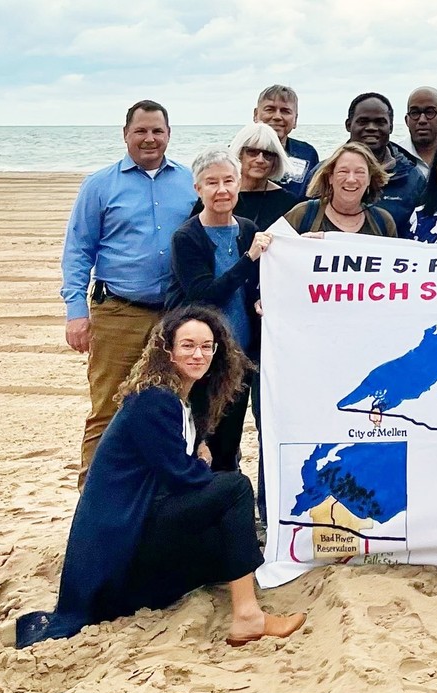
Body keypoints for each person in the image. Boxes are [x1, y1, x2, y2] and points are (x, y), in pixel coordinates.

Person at [15, 306, 305, 649]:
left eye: (207, 346)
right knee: (236, 488)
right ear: (166, 350)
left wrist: (199, 458)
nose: (198, 354)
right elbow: (181, 477)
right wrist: (200, 460)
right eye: (187, 345)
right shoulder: (154, 401)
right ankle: (248, 616)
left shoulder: (180, 400)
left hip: (140, 531)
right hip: (119, 553)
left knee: (225, 537)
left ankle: (242, 604)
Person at [61, 99, 198, 488]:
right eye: (141, 131)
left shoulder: (189, 183)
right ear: (125, 135)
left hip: (175, 315)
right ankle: (94, 500)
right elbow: (78, 251)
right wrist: (76, 311)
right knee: (108, 407)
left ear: (169, 135)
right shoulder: (100, 185)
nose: (149, 138)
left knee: (174, 407)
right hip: (118, 311)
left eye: (157, 131)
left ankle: (162, 499)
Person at [168, 148, 269, 475]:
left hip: (240, 356)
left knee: (229, 444)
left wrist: (260, 300)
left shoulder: (248, 229)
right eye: (212, 182)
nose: (222, 190)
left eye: (229, 181)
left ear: (239, 185)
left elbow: (254, 285)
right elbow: (203, 296)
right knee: (200, 441)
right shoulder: (187, 237)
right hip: (202, 358)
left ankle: (226, 514)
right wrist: (248, 259)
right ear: (198, 189)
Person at [338, 92, 426, 238]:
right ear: (348, 125)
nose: (371, 127)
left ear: (390, 127)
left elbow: (422, 233)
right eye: (363, 121)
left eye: (380, 122)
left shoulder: (414, 179)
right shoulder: (325, 174)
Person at [189, 123, 301, 230]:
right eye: (252, 152)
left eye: (268, 154)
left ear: (276, 161)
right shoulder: (217, 195)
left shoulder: (287, 202)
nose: (260, 160)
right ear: (239, 153)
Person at [283, 142, 399, 236]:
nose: (351, 179)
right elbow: (271, 251)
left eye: (360, 172)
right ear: (330, 177)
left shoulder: (383, 222)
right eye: (343, 171)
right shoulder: (302, 214)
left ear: (369, 179)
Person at [253, 84, 319, 198]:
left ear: (295, 120)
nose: (277, 116)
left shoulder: (307, 154)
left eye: (285, 111)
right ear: (255, 115)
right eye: (270, 110)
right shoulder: (237, 151)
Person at [397, 87, 437, 178]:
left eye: (430, 112)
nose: (422, 120)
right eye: (415, 113)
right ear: (406, 120)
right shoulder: (394, 157)